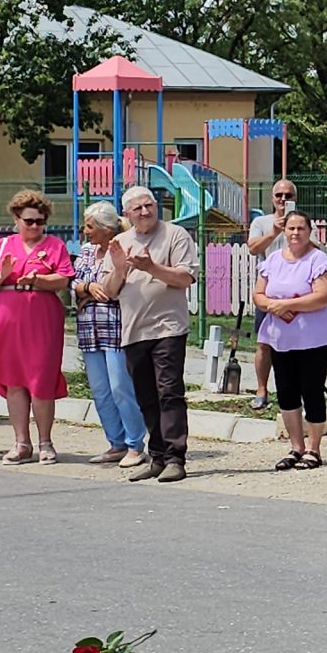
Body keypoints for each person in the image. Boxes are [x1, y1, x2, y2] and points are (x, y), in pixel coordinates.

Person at [0, 189, 73, 465]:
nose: (34, 226)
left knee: (41, 379)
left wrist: (39, 280)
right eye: (29, 221)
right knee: (14, 379)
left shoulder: (55, 245)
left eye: (40, 221)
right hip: (9, 317)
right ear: (16, 219)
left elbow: (63, 279)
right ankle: (21, 442)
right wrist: (2, 274)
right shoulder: (3, 246)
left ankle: (45, 441)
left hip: (42, 318)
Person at [113, 184, 198, 483]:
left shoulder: (175, 235)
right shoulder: (120, 242)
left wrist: (151, 267)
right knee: (146, 396)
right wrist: (119, 270)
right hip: (134, 331)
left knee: (169, 392)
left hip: (168, 328)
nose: (145, 211)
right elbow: (110, 290)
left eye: (149, 205)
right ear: (127, 213)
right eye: (137, 208)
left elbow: (186, 277)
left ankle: (176, 457)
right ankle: (158, 456)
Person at [253, 209, 327, 470]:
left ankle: (314, 449)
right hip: (281, 338)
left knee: (312, 390)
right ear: (284, 231)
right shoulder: (274, 259)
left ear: (310, 231)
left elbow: (323, 296)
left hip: (314, 338)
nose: (296, 233)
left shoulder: (318, 259)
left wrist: (287, 304)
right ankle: (296, 447)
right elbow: (259, 294)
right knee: (286, 391)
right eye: (291, 228)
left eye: (301, 228)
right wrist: (272, 306)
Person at [71, 201, 150, 468]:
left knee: (121, 388)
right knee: (100, 390)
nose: (85, 231)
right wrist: (87, 289)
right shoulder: (87, 251)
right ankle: (115, 442)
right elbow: (74, 283)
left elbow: (117, 291)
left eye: (90, 226)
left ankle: (134, 444)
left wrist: (90, 293)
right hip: (89, 329)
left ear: (106, 229)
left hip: (116, 329)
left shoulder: (123, 249)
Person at [244, 179, 299, 414]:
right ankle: (261, 390)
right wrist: (275, 232)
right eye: (279, 195)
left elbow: (315, 248)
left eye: (288, 195)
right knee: (264, 343)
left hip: (297, 292)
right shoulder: (261, 222)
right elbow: (253, 248)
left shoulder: (301, 222)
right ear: (272, 198)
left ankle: (295, 390)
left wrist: (294, 230)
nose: (283, 199)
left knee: (298, 343)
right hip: (268, 291)